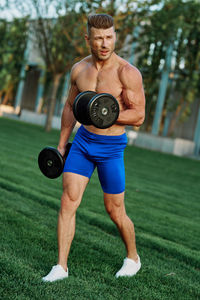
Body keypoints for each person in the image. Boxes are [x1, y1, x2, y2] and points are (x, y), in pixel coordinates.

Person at [42, 13, 145, 282]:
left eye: (109, 37)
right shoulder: (79, 69)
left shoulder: (127, 73)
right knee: (68, 201)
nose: (104, 43)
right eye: (98, 38)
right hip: (84, 143)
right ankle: (61, 267)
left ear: (115, 37)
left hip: (111, 147)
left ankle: (133, 258)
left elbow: (139, 116)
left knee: (115, 210)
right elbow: (70, 106)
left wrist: (106, 114)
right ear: (88, 38)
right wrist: (62, 144)